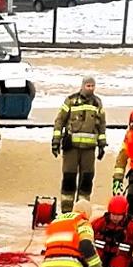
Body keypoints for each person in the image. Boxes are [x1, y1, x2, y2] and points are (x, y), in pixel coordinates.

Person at [52, 77, 107, 210]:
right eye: (88, 86)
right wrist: (55, 142)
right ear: (82, 86)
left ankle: (82, 210)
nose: (90, 88)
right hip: (71, 148)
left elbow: (101, 125)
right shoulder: (71, 101)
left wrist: (102, 144)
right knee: (69, 178)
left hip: (89, 150)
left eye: (92, 86)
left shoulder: (97, 103)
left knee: (86, 180)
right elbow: (59, 121)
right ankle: (66, 210)